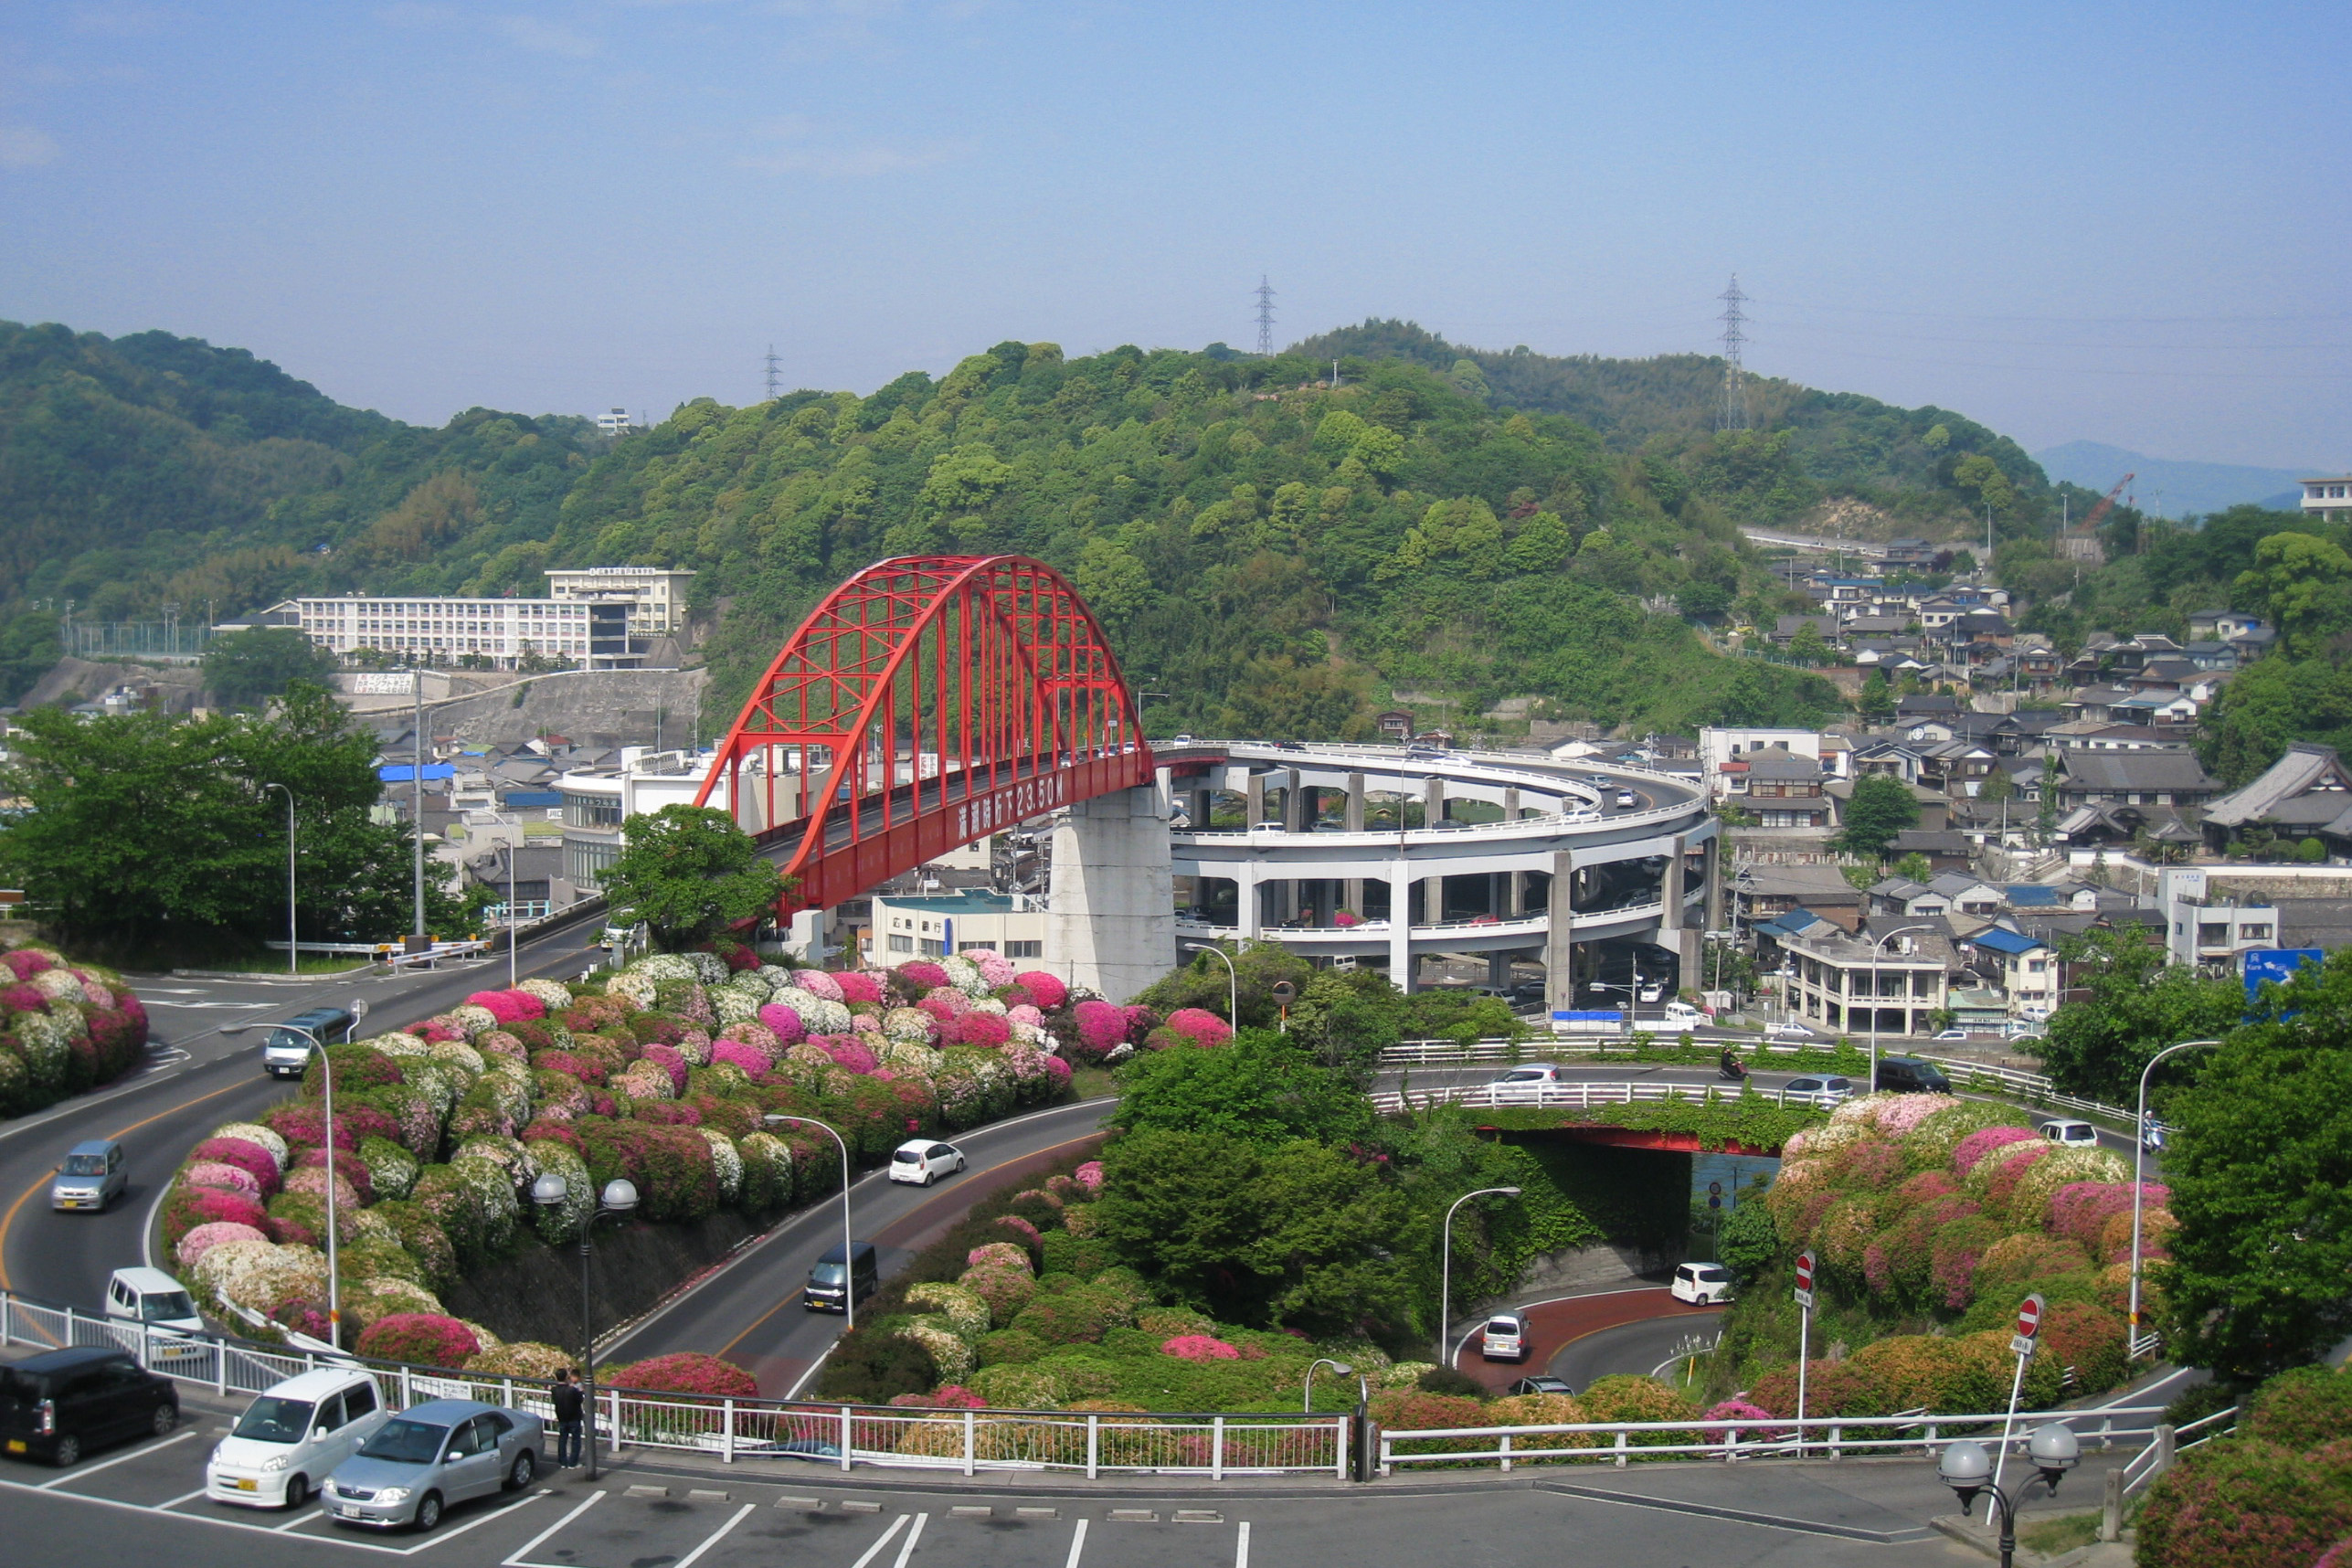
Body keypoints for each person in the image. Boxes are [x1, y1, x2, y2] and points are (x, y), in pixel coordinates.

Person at [551, 1368, 585, 1467]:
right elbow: (580, 1400)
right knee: (575, 1440)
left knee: (562, 1440)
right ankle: (573, 1463)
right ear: (566, 1377)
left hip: (561, 1417)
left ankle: (562, 1462)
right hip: (574, 1417)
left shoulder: (554, 1390)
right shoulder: (572, 1390)